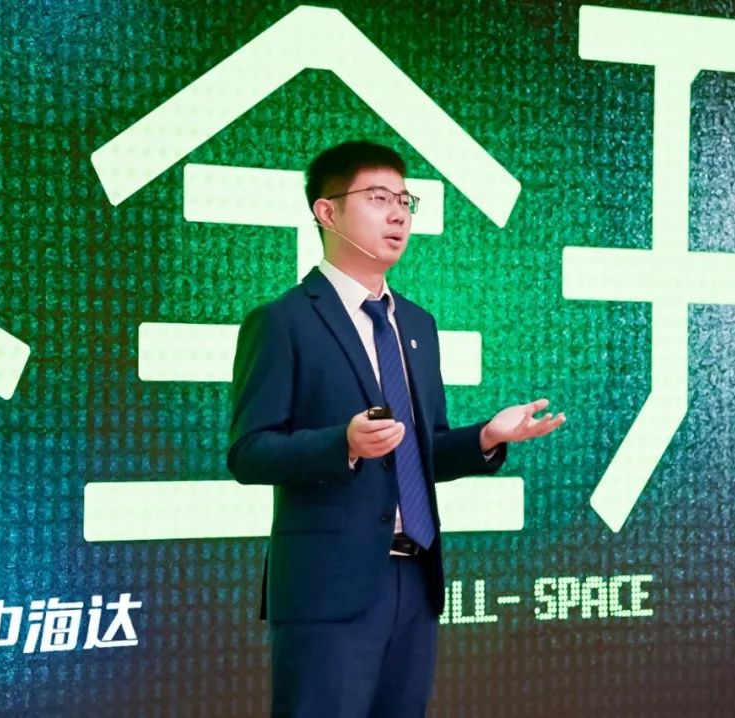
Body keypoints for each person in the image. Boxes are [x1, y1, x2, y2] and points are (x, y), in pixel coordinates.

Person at [228, 140, 565, 717]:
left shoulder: (417, 324)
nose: (398, 215)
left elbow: (421, 451)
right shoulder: (283, 321)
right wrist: (342, 444)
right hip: (329, 588)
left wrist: (487, 438)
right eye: (378, 198)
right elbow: (249, 452)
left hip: (416, 579)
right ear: (327, 211)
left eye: (405, 201)